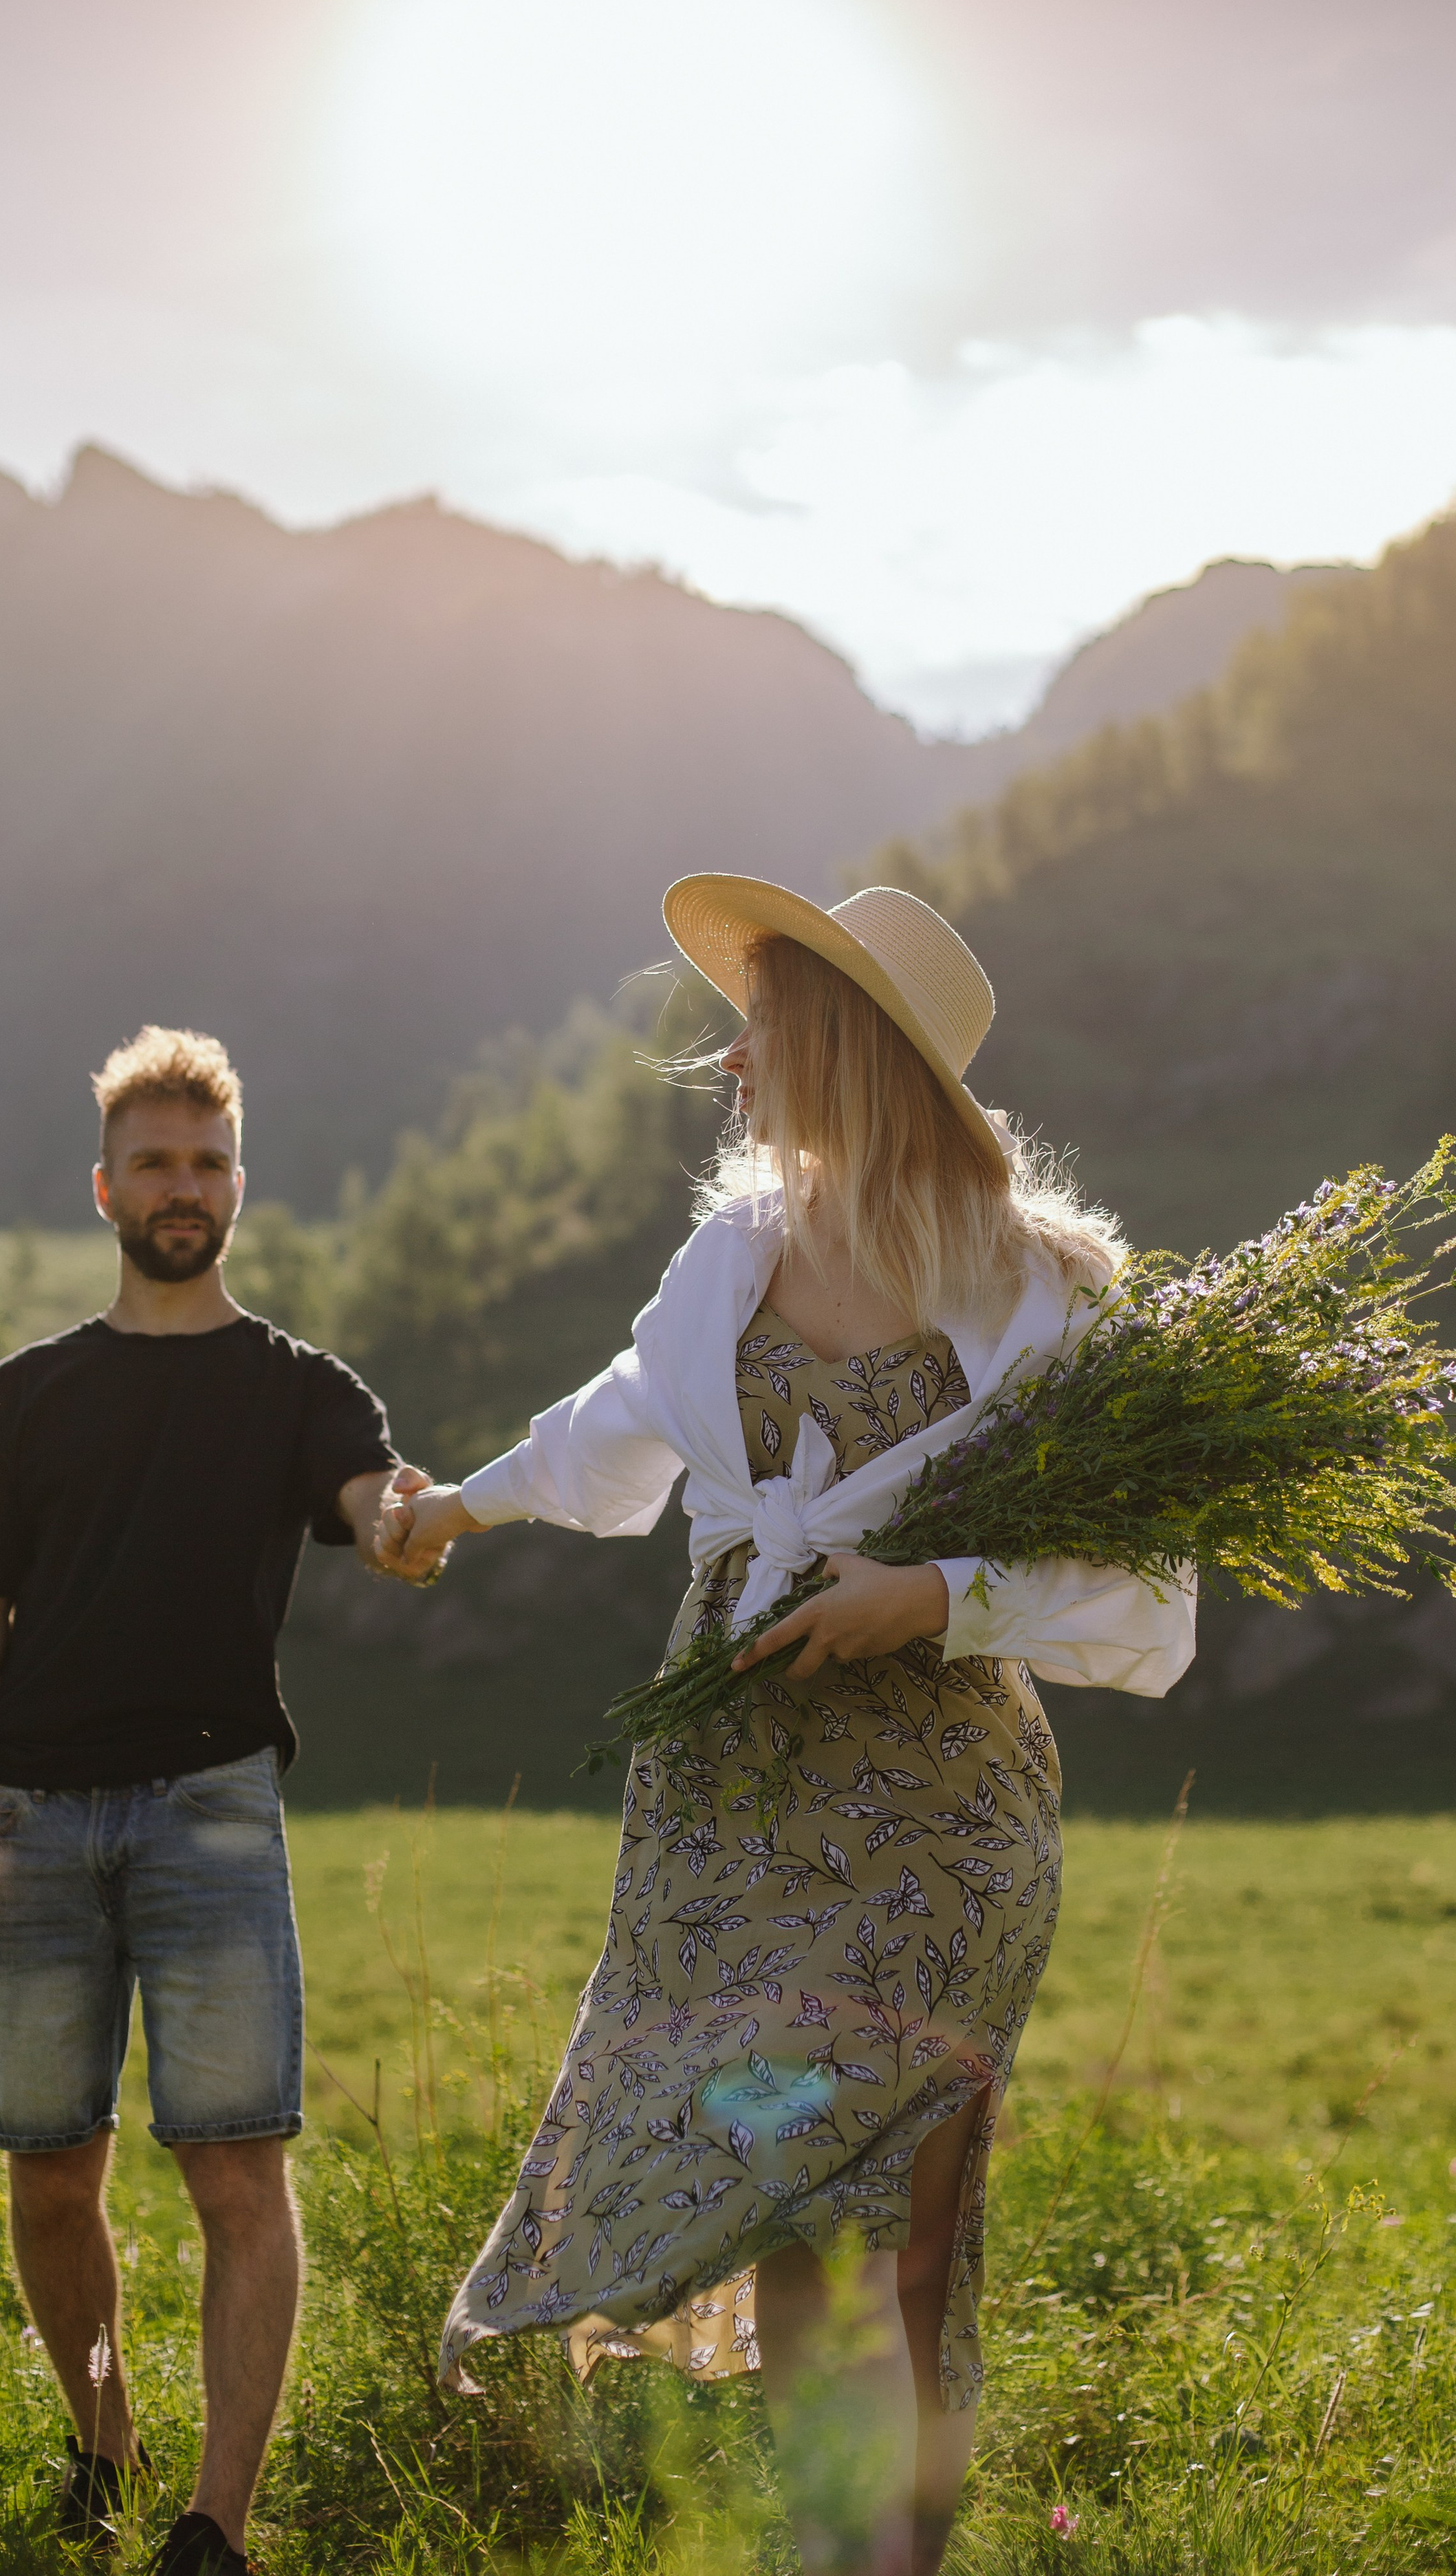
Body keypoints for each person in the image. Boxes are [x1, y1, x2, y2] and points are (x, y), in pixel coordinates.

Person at [383, 878, 1195, 2576]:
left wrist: (933, 1595)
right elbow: (609, 1424)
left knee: (895, 2210)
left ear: (840, 1049)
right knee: (785, 2205)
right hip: (727, 1817)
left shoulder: (1040, 1293)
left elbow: (1138, 1576)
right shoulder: (728, 1260)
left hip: (937, 1816)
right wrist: (452, 1507)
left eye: (761, 1023)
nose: (728, 1059)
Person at [0, 1026, 425, 2575]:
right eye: (157, 1163)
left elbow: (367, 1489)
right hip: (34, 1820)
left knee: (236, 2167)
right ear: (105, 1184)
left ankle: (213, 2529)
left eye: (209, 1163)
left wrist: (403, 1518)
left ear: (238, 1184)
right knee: (51, 2177)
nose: (184, 1189)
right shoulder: (26, 1395)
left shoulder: (296, 1387)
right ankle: (104, 2441)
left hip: (210, 1811)